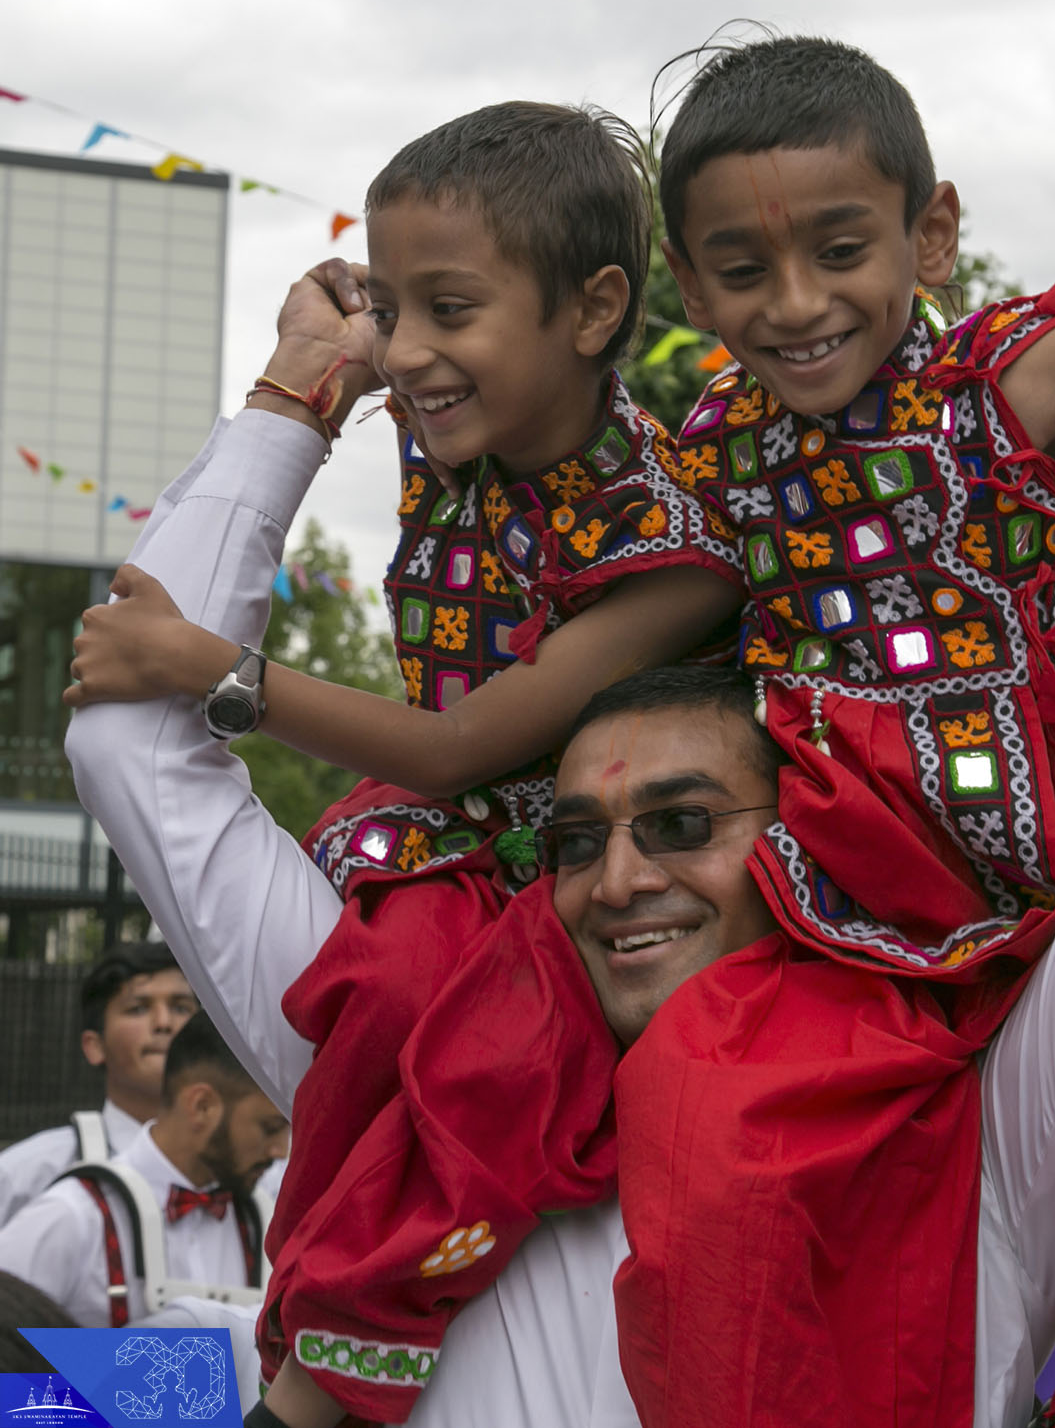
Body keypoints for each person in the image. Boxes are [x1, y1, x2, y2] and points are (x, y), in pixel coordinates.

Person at [66, 174, 1055, 1428]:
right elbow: (131, 738)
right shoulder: (405, 1070)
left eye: (685, 825)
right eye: (573, 840)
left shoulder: (984, 1129)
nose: (621, 876)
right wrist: (296, 396)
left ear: (807, 841)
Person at [65, 101, 743, 1409]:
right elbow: (122, 719)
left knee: (483, 1064)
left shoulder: (669, 539)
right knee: (384, 1007)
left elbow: (449, 750)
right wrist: (301, 389)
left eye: (451, 308)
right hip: (458, 869)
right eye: (396, 305)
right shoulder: (461, 440)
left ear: (596, 309)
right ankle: (321, 1346)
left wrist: (215, 669)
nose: (413, 349)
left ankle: (324, 1359)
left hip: (514, 875)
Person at [0, 1011, 287, 1327]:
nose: (281, 1150)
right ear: (201, 1106)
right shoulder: (71, 1216)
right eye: (270, 1127)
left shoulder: (268, 1221)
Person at [0, 941, 198, 1227]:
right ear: (94, 1046)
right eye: (138, 1009)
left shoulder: (260, 1178)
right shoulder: (28, 1175)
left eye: (180, 1007)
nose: (164, 1022)